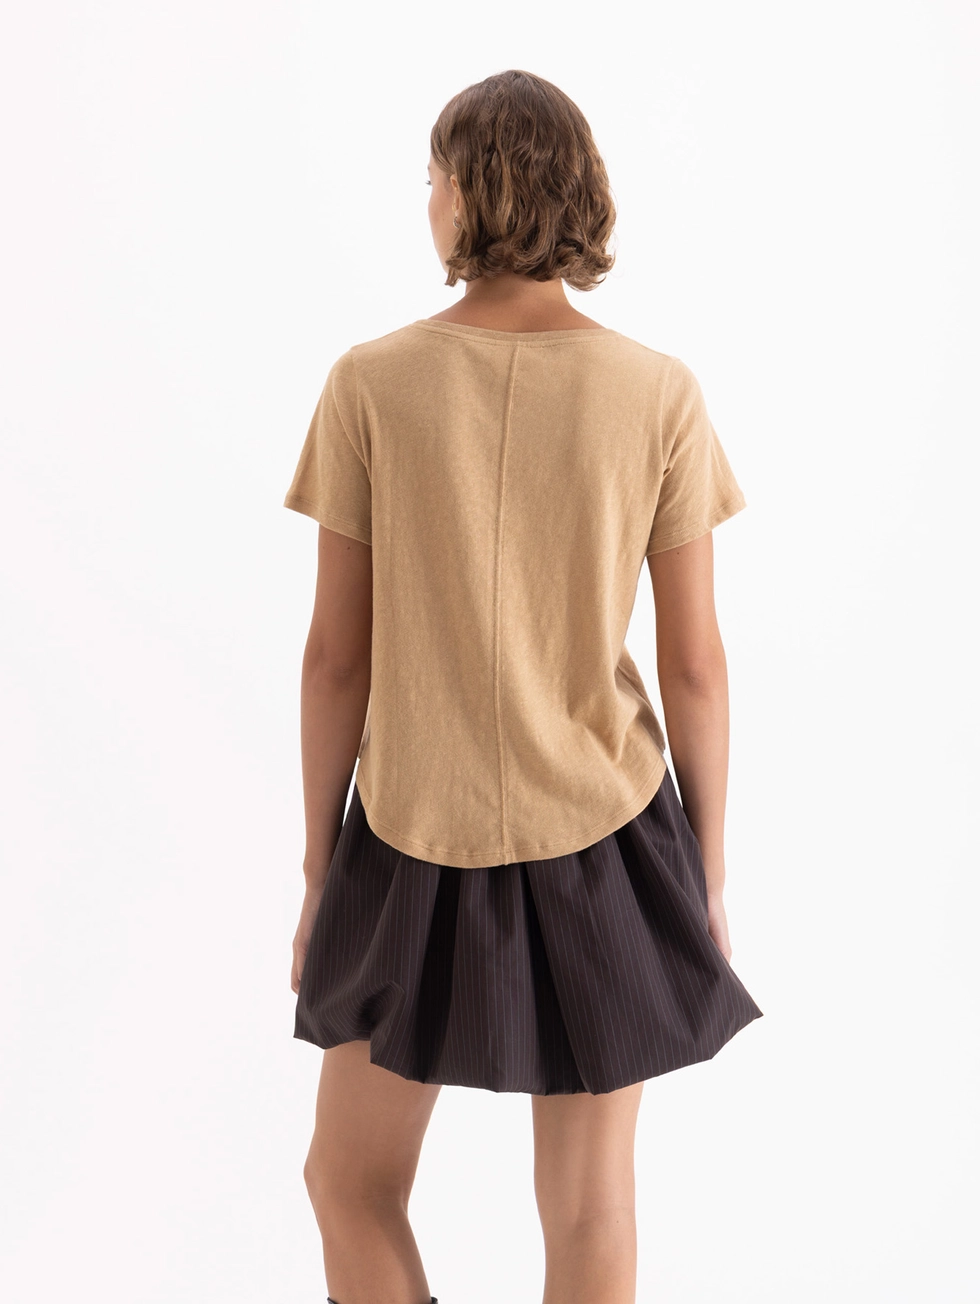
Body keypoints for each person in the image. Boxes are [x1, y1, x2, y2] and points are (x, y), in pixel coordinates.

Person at [283, 68, 764, 1304]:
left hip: (408, 825)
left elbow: (336, 656)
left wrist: (318, 868)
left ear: (465, 192)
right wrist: (706, 871)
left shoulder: (370, 381)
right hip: (609, 831)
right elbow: (694, 662)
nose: (426, 199)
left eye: (430, 176)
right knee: (593, 1210)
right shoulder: (655, 390)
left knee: (347, 1180)